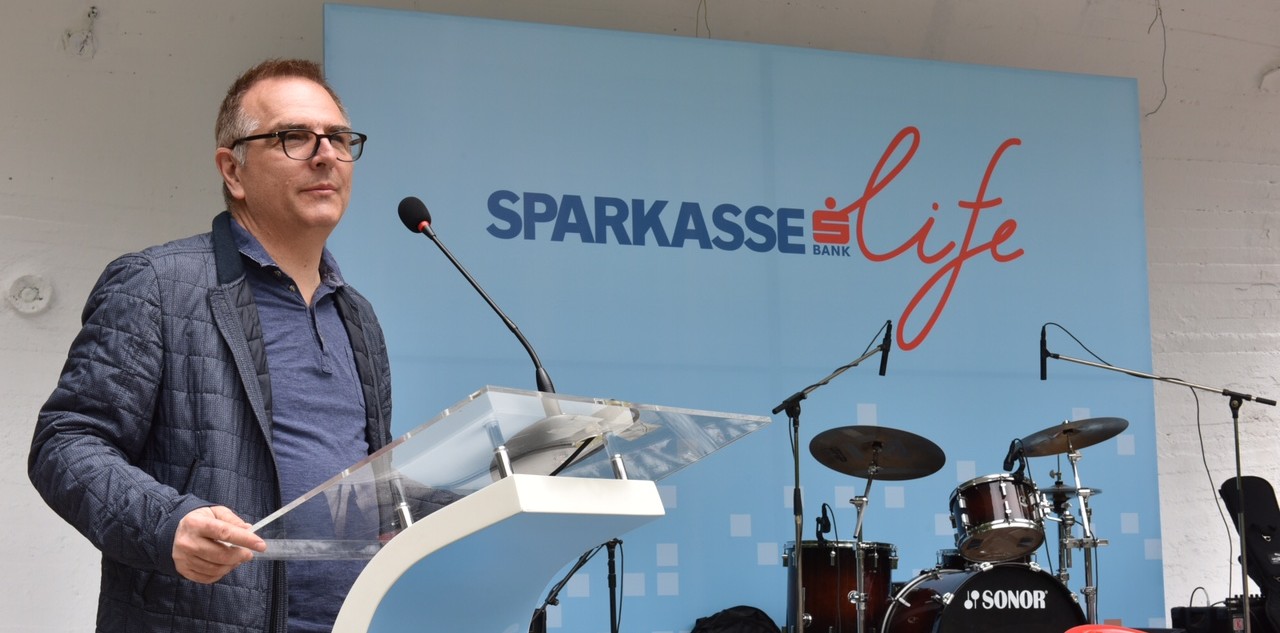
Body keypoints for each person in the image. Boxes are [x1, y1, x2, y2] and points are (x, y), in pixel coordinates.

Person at [29, 58, 394, 633]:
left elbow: (357, 483)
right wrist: (166, 523)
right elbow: (65, 443)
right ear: (233, 170)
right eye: (294, 137)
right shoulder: (156, 284)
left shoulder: (358, 316)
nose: (325, 154)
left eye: (339, 138)